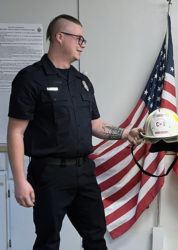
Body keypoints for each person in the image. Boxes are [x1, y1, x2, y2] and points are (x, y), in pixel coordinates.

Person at [7, 14, 142, 250]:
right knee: (48, 240)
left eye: (83, 39)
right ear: (59, 37)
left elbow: (96, 126)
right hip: (49, 174)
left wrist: (126, 133)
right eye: (78, 38)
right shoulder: (30, 79)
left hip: (84, 172)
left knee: (95, 236)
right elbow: (15, 133)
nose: (83, 44)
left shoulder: (82, 81)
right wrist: (19, 180)